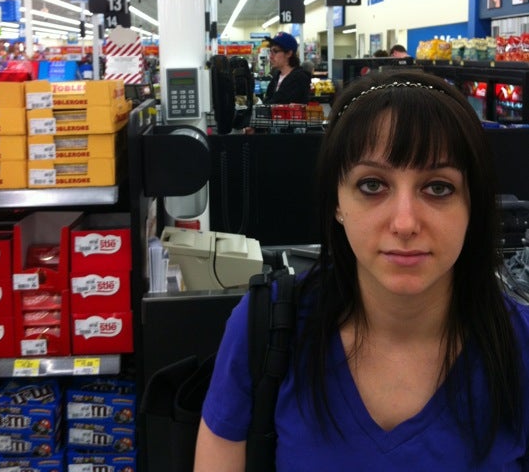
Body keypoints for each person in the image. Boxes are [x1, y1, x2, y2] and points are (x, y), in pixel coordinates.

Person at [194, 68, 529, 471]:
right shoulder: (265, 328)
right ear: (337, 201)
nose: (404, 223)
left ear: (472, 204)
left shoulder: (519, 346)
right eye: (372, 185)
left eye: (438, 187)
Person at [262, 32, 311, 104]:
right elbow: (268, 100)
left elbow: (278, 102)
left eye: (275, 51)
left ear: (288, 53)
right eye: (270, 51)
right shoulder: (276, 77)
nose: (271, 56)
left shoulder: (299, 78)